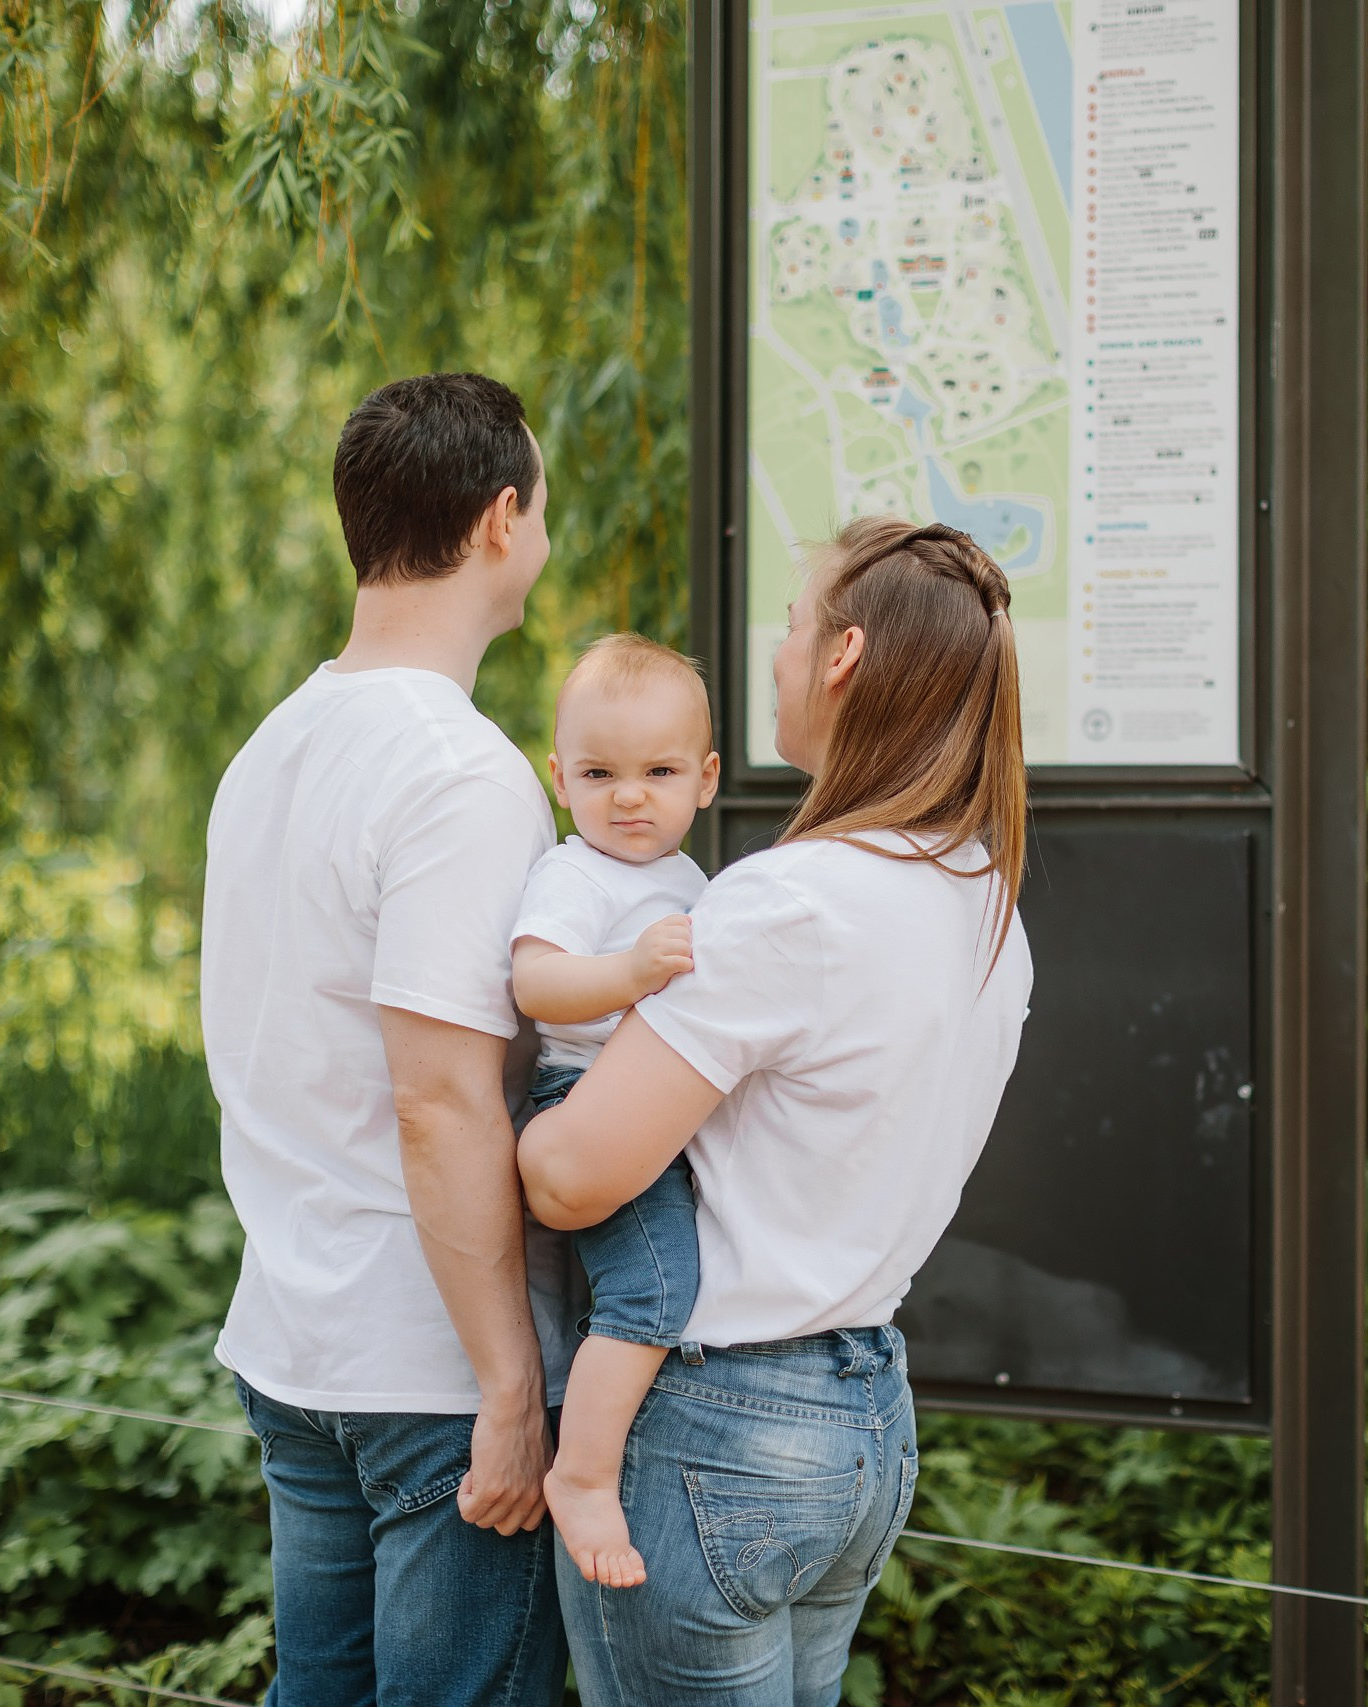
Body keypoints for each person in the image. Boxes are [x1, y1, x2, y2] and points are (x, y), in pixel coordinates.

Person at [519, 517, 1035, 1705]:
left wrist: (525, 1122)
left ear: (844, 655)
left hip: (719, 1426)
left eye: (795, 622)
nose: (778, 649)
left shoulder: (789, 901)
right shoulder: (981, 900)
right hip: (864, 1417)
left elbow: (570, 1180)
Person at [201, 372, 576, 1707]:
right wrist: (509, 1381)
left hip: (297, 1341)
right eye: (540, 505)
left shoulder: (273, 746)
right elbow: (441, 1097)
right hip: (431, 1367)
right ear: (497, 519)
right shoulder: (459, 772)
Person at [507, 633, 722, 1588]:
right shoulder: (575, 874)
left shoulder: (692, 884)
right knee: (652, 1289)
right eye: (600, 772)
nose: (629, 795)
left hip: (660, 1105)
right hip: (585, 1094)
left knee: (648, 1287)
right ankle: (585, 1475)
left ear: (705, 779)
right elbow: (536, 983)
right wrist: (631, 972)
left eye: (659, 770)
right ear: (559, 777)